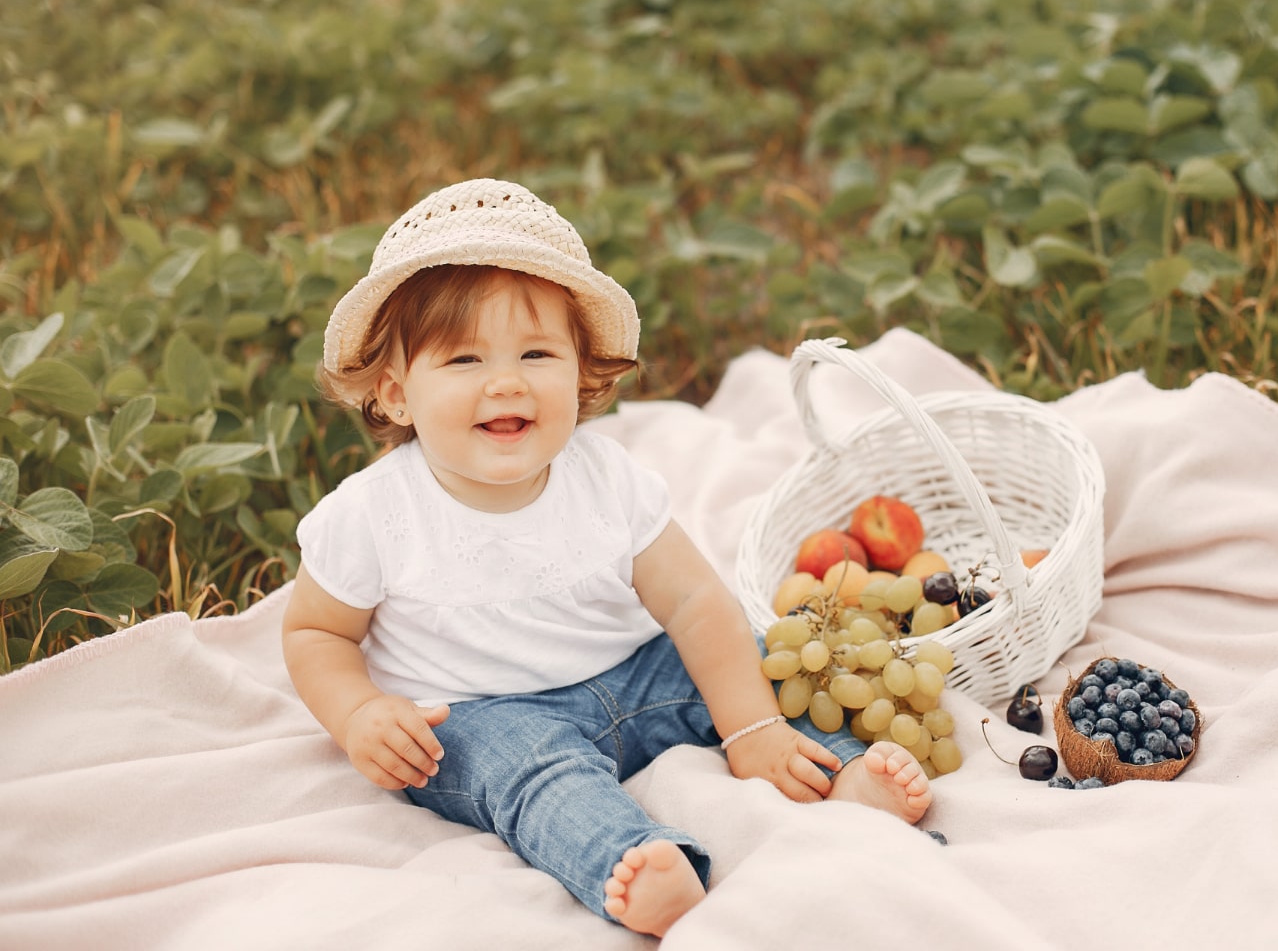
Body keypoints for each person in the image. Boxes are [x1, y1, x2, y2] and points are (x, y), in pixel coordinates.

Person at [282, 178, 933, 938]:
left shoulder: (609, 479)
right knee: (532, 776)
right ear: (395, 395)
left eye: (536, 352)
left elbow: (694, 603)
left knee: (742, 663)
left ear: (582, 374)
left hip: (631, 674)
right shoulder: (372, 515)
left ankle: (843, 769)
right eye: (463, 360)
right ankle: (633, 859)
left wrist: (749, 727)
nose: (506, 381)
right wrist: (359, 714)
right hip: (479, 714)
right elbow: (316, 633)